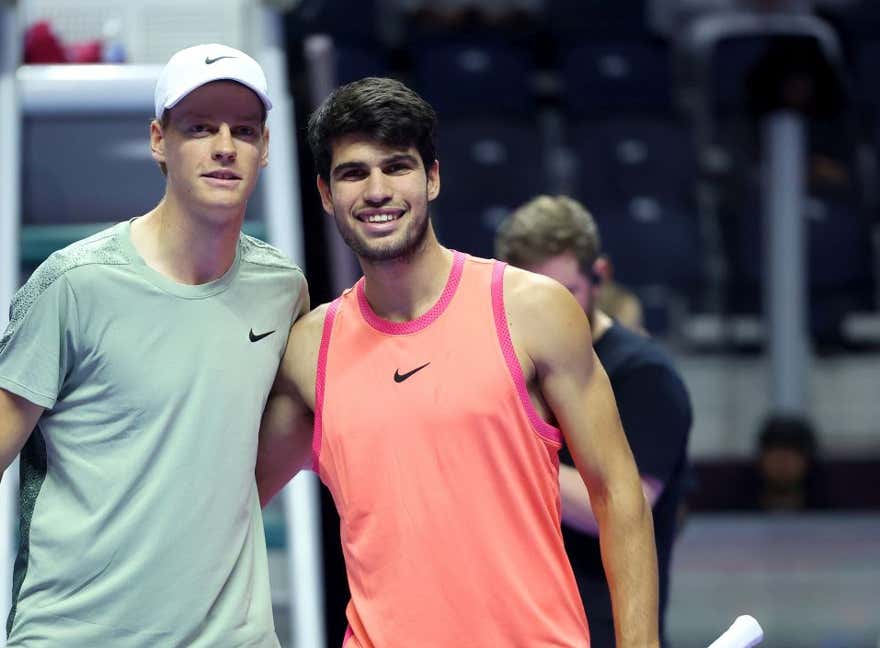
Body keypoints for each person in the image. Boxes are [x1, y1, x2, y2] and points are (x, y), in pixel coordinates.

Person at [0, 44, 306, 648]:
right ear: (159, 140)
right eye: (199, 128)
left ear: (264, 148)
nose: (225, 146)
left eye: (244, 130)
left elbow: (270, 446)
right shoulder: (72, 284)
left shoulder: (282, 291)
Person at [257, 77, 658, 647]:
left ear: (433, 178)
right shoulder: (309, 349)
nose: (377, 190)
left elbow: (619, 492)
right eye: (354, 172)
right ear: (325, 193)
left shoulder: (531, 309)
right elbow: (231, 505)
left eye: (397, 166)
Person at [496, 195, 693, 647]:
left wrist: (501, 450)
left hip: (603, 629)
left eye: (564, 292)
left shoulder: (646, 375)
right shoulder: (502, 367)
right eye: (531, 293)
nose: (548, 311)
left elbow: (624, 503)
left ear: (598, 277)